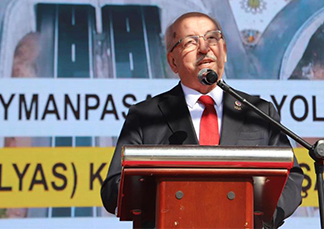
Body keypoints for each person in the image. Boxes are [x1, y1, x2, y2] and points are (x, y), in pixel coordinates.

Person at [100, 12, 304, 228]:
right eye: (190, 42)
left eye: (212, 38)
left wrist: (259, 217)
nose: (204, 48)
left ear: (224, 51)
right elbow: (114, 189)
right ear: (173, 62)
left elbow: (291, 178)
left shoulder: (259, 112)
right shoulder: (146, 116)